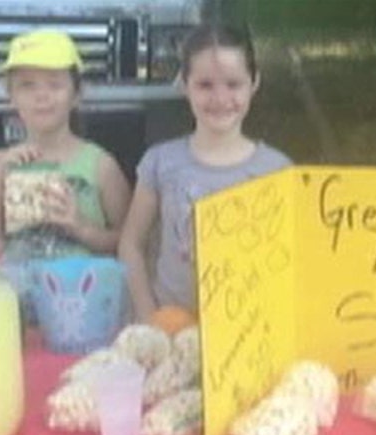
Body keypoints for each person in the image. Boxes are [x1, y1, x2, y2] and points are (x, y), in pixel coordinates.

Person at [118, 23, 292, 322]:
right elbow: (131, 244)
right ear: (184, 85)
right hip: (174, 323)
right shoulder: (160, 162)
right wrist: (148, 314)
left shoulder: (277, 170)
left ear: (255, 82)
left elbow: (289, 257)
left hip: (248, 327)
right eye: (205, 85)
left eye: (233, 84)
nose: (220, 98)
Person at [0, 29, 131, 322]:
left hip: (81, 307)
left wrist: (80, 227)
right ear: (11, 96)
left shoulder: (99, 165)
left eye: (55, 84)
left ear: (76, 93)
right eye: (27, 86)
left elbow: (129, 244)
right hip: (15, 308)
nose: (41, 96)